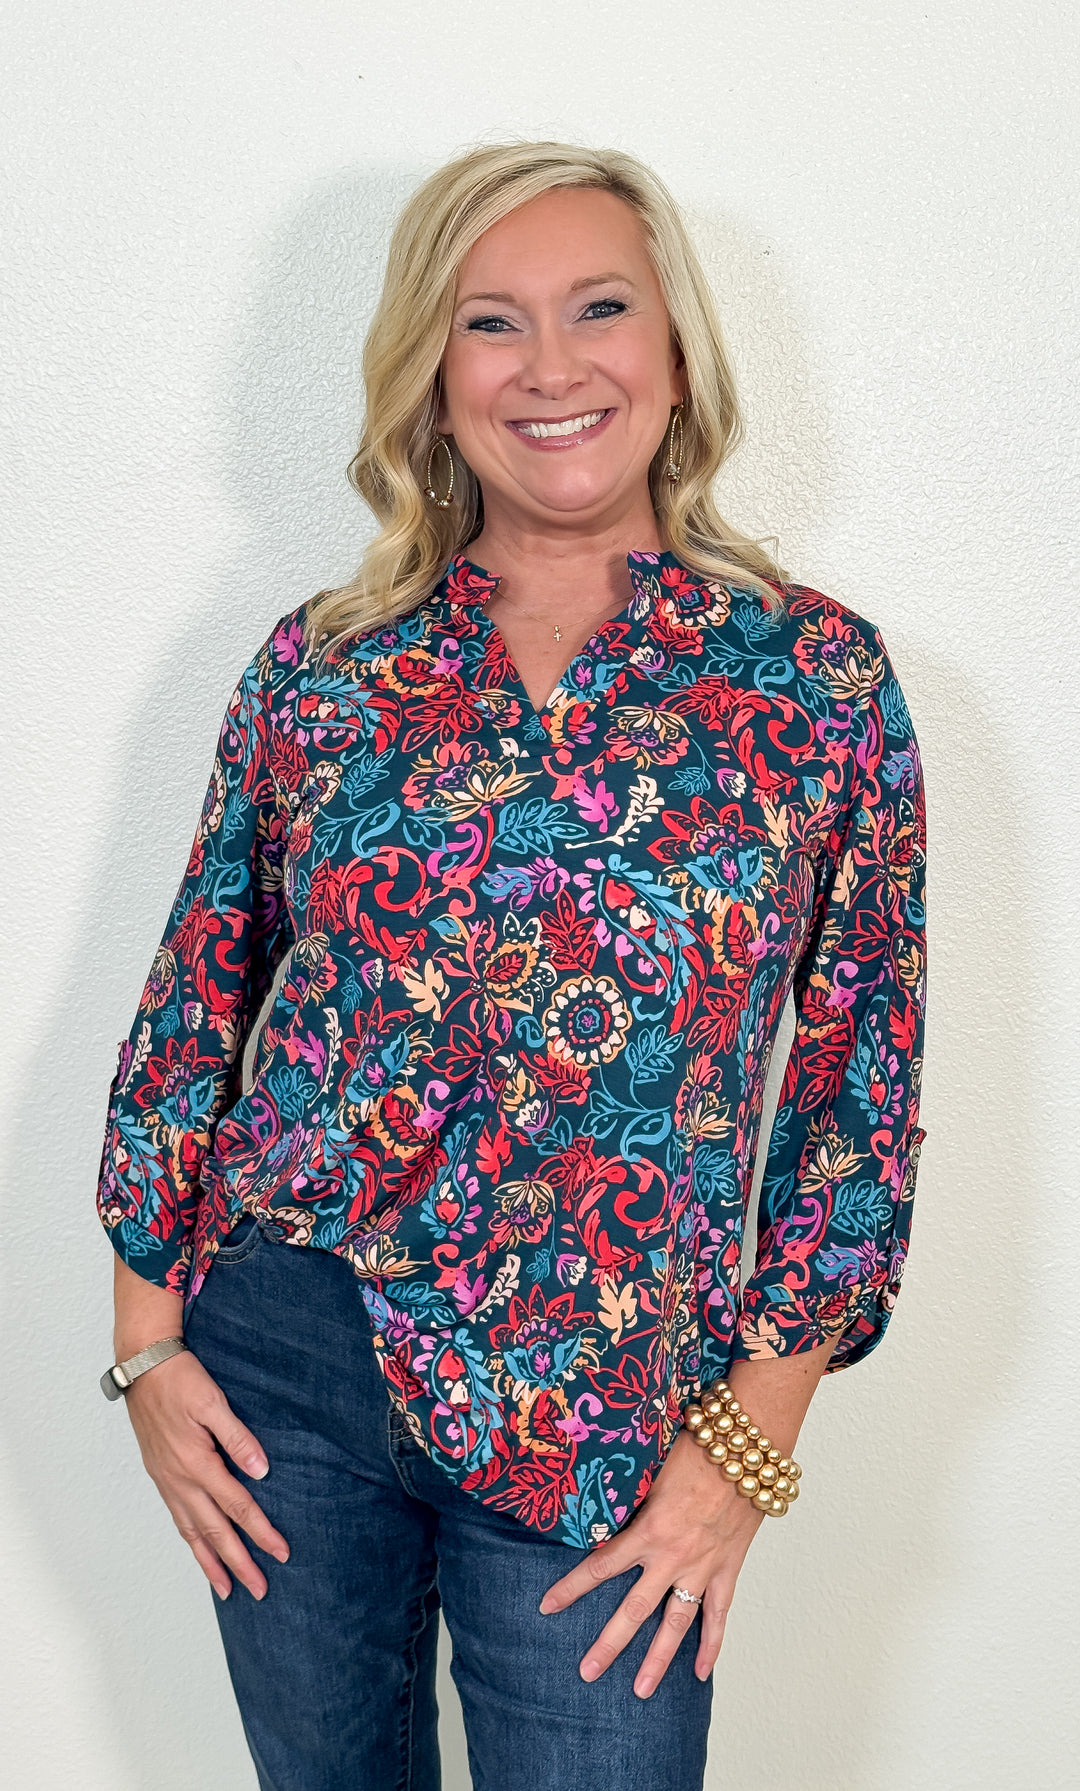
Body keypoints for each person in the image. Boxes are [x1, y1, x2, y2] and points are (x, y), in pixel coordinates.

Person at [95, 140, 928, 1791]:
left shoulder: (815, 680)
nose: (551, 367)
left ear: (676, 354)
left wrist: (744, 1450)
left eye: (599, 309)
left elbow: (859, 1093)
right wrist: (148, 1348)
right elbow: (196, 1000)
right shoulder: (326, 668)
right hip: (289, 1366)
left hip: (608, 1403)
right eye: (492, 322)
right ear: (433, 374)